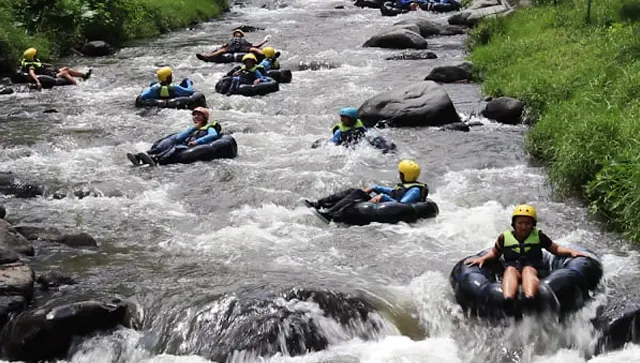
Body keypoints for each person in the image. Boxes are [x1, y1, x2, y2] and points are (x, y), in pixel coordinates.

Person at [464, 204, 591, 304]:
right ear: (514, 224)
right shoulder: (504, 237)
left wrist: (571, 252)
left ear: (533, 224)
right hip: (513, 268)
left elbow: (555, 249)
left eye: (527, 223)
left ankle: (530, 298)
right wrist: (482, 259)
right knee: (509, 271)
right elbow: (495, 253)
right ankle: (508, 299)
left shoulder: (539, 236)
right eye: (520, 223)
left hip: (534, 268)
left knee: (528, 270)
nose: (524, 227)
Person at [304, 160, 428, 221]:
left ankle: (330, 215)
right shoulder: (407, 185)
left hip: (392, 210)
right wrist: (375, 188)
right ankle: (320, 204)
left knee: (358, 194)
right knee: (355, 190)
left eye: (400, 173)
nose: (399, 175)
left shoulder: (415, 190)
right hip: (388, 203)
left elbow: (402, 204)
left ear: (405, 175)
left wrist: (382, 197)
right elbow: (394, 192)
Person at [127, 107, 222, 166]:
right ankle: (141, 156)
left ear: (205, 118)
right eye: (195, 115)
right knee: (170, 142)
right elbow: (179, 137)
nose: (196, 117)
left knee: (177, 148)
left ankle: (156, 159)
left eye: (199, 115)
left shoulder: (209, 127)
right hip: (185, 143)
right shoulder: (193, 128)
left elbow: (213, 135)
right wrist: (193, 128)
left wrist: (197, 142)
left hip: (193, 146)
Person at [21, 47, 92, 90]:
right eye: (35, 54)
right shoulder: (31, 66)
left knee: (66, 68)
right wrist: (38, 82)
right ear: (32, 56)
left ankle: (84, 76)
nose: (37, 54)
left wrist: (52, 66)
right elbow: (31, 73)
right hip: (51, 76)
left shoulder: (32, 61)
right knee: (65, 72)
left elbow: (41, 64)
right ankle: (75, 84)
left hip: (50, 73)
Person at [200, 29, 268, 59]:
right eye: (236, 33)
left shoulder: (243, 40)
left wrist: (264, 41)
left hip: (242, 47)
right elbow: (223, 46)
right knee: (221, 50)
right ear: (234, 35)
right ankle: (207, 56)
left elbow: (255, 46)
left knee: (253, 49)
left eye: (239, 33)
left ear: (241, 35)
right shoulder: (231, 40)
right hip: (232, 47)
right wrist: (216, 49)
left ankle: (266, 55)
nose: (237, 34)